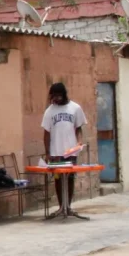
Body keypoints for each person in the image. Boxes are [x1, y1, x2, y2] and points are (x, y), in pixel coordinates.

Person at [42, 82, 87, 213]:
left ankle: (68, 206)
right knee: (58, 179)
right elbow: (46, 133)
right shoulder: (49, 111)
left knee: (70, 178)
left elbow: (78, 128)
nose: (56, 98)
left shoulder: (75, 108)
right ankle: (61, 206)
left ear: (64, 95)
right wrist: (47, 152)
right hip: (56, 152)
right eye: (53, 96)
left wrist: (79, 142)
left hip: (70, 152)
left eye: (58, 95)